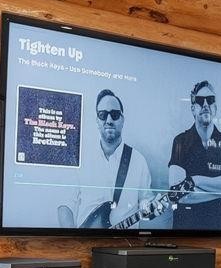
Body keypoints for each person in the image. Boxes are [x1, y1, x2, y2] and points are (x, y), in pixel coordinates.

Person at [57, 89, 153, 229]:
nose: (109, 120)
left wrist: (152, 207)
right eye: (103, 115)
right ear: (97, 120)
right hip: (86, 245)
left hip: (126, 244)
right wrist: (74, 240)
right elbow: (65, 205)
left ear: (122, 119)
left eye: (114, 115)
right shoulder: (80, 159)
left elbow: (145, 200)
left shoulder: (138, 161)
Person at [167, 80, 221, 230]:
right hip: (184, 234)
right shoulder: (180, 141)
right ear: (193, 109)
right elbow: (177, 194)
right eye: (200, 100)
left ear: (215, 108)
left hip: (217, 233)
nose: (206, 104)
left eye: (210, 100)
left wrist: (195, 180)